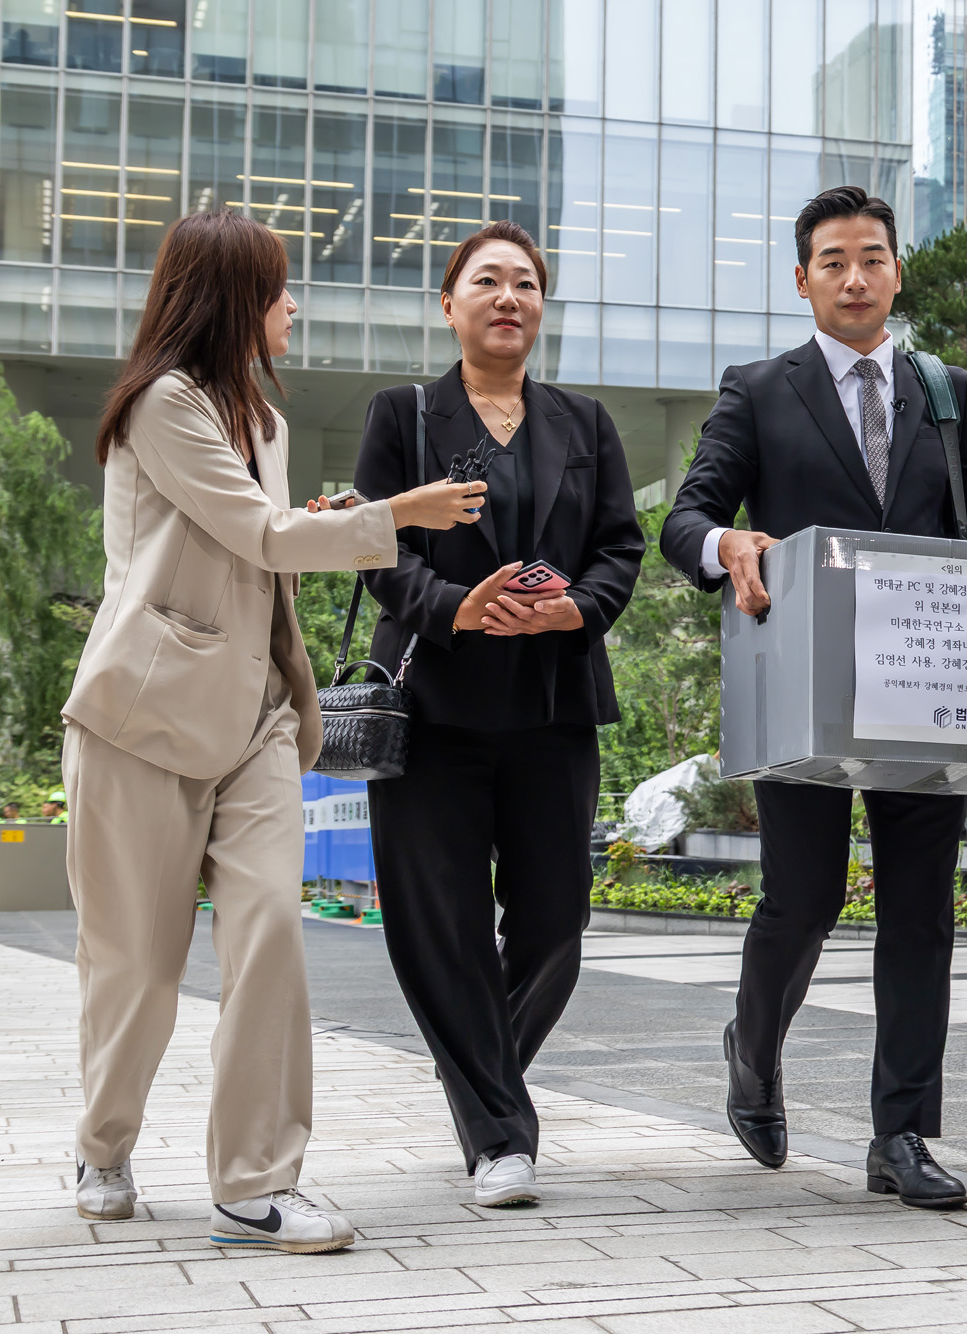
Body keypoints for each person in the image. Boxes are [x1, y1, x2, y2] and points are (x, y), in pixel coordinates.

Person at [60, 210, 483, 1252]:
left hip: (256, 720)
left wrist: (335, 523)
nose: (294, 305)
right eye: (281, 287)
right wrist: (395, 513)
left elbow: (265, 554)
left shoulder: (265, 416)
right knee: (138, 969)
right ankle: (103, 1141)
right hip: (142, 721)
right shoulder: (164, 404)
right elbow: (254, 529)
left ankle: (254, 1180)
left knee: (269, 935)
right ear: (231, 298)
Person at [659, 185, 967, 1209]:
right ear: (802, 278)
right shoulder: (758, 390)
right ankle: (752, 1044)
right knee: (803, 898)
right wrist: (723, 543)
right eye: (832, 260)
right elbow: (686, 515)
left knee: (920, 913)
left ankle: (900, 1133)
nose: (854, 275)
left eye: (871, 256)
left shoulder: (943, 388)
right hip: (805, 694)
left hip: (926, 691)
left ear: (896, 270)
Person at [356, 220, 643, 1210]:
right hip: (430, 704)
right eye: (487, 280)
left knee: (556, 919)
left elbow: (620, 546)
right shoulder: (404, 414)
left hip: (552, 701)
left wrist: (575, 606)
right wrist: (453, 606)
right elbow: (371, 543)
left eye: (526, 282)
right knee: (438, 927)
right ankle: (498, 1133)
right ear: (449, 303)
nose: (508, 296)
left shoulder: (584, 422)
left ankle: (479, 1081)